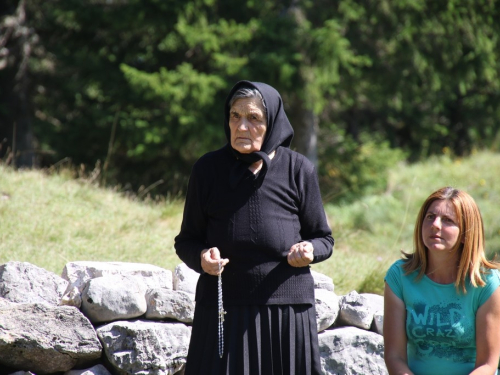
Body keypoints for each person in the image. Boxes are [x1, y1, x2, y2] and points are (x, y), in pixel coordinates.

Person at [174, 80, 334, 375]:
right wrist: (201, 259)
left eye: (253, 118)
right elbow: (186, 240)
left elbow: (324, 238)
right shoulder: (207, 170)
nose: (242, 126)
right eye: (235, 116)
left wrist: (309, 250)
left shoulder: (298, 170)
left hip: (287, 310)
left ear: (271, 121)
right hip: (223, 310)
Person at [384, 186, 500, 375]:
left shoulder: (486, 283)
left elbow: (487, 364)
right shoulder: (400, 276)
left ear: (465, 234)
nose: (435, 225)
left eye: (447, 220)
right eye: (430, 217)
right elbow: (394, 357)